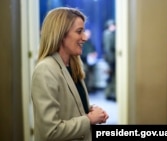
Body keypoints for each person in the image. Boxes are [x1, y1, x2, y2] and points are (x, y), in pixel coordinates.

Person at [31, 7, 109, 141]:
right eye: (79, 31)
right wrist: (88, 119)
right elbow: (50, 131)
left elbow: (66, 107)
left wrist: (87, 109)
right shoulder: (45, 70)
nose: (84, 37)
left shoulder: (73, 66)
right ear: (61, 34)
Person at [102, 19, 116, 101]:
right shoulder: (108, 34)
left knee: (111, 77)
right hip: (111, 59)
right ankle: (108, 94)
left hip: (111, 58)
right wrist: (111, 61)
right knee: (110, 77)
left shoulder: (110, 34)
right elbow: (108, 48)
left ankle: (110, 93)